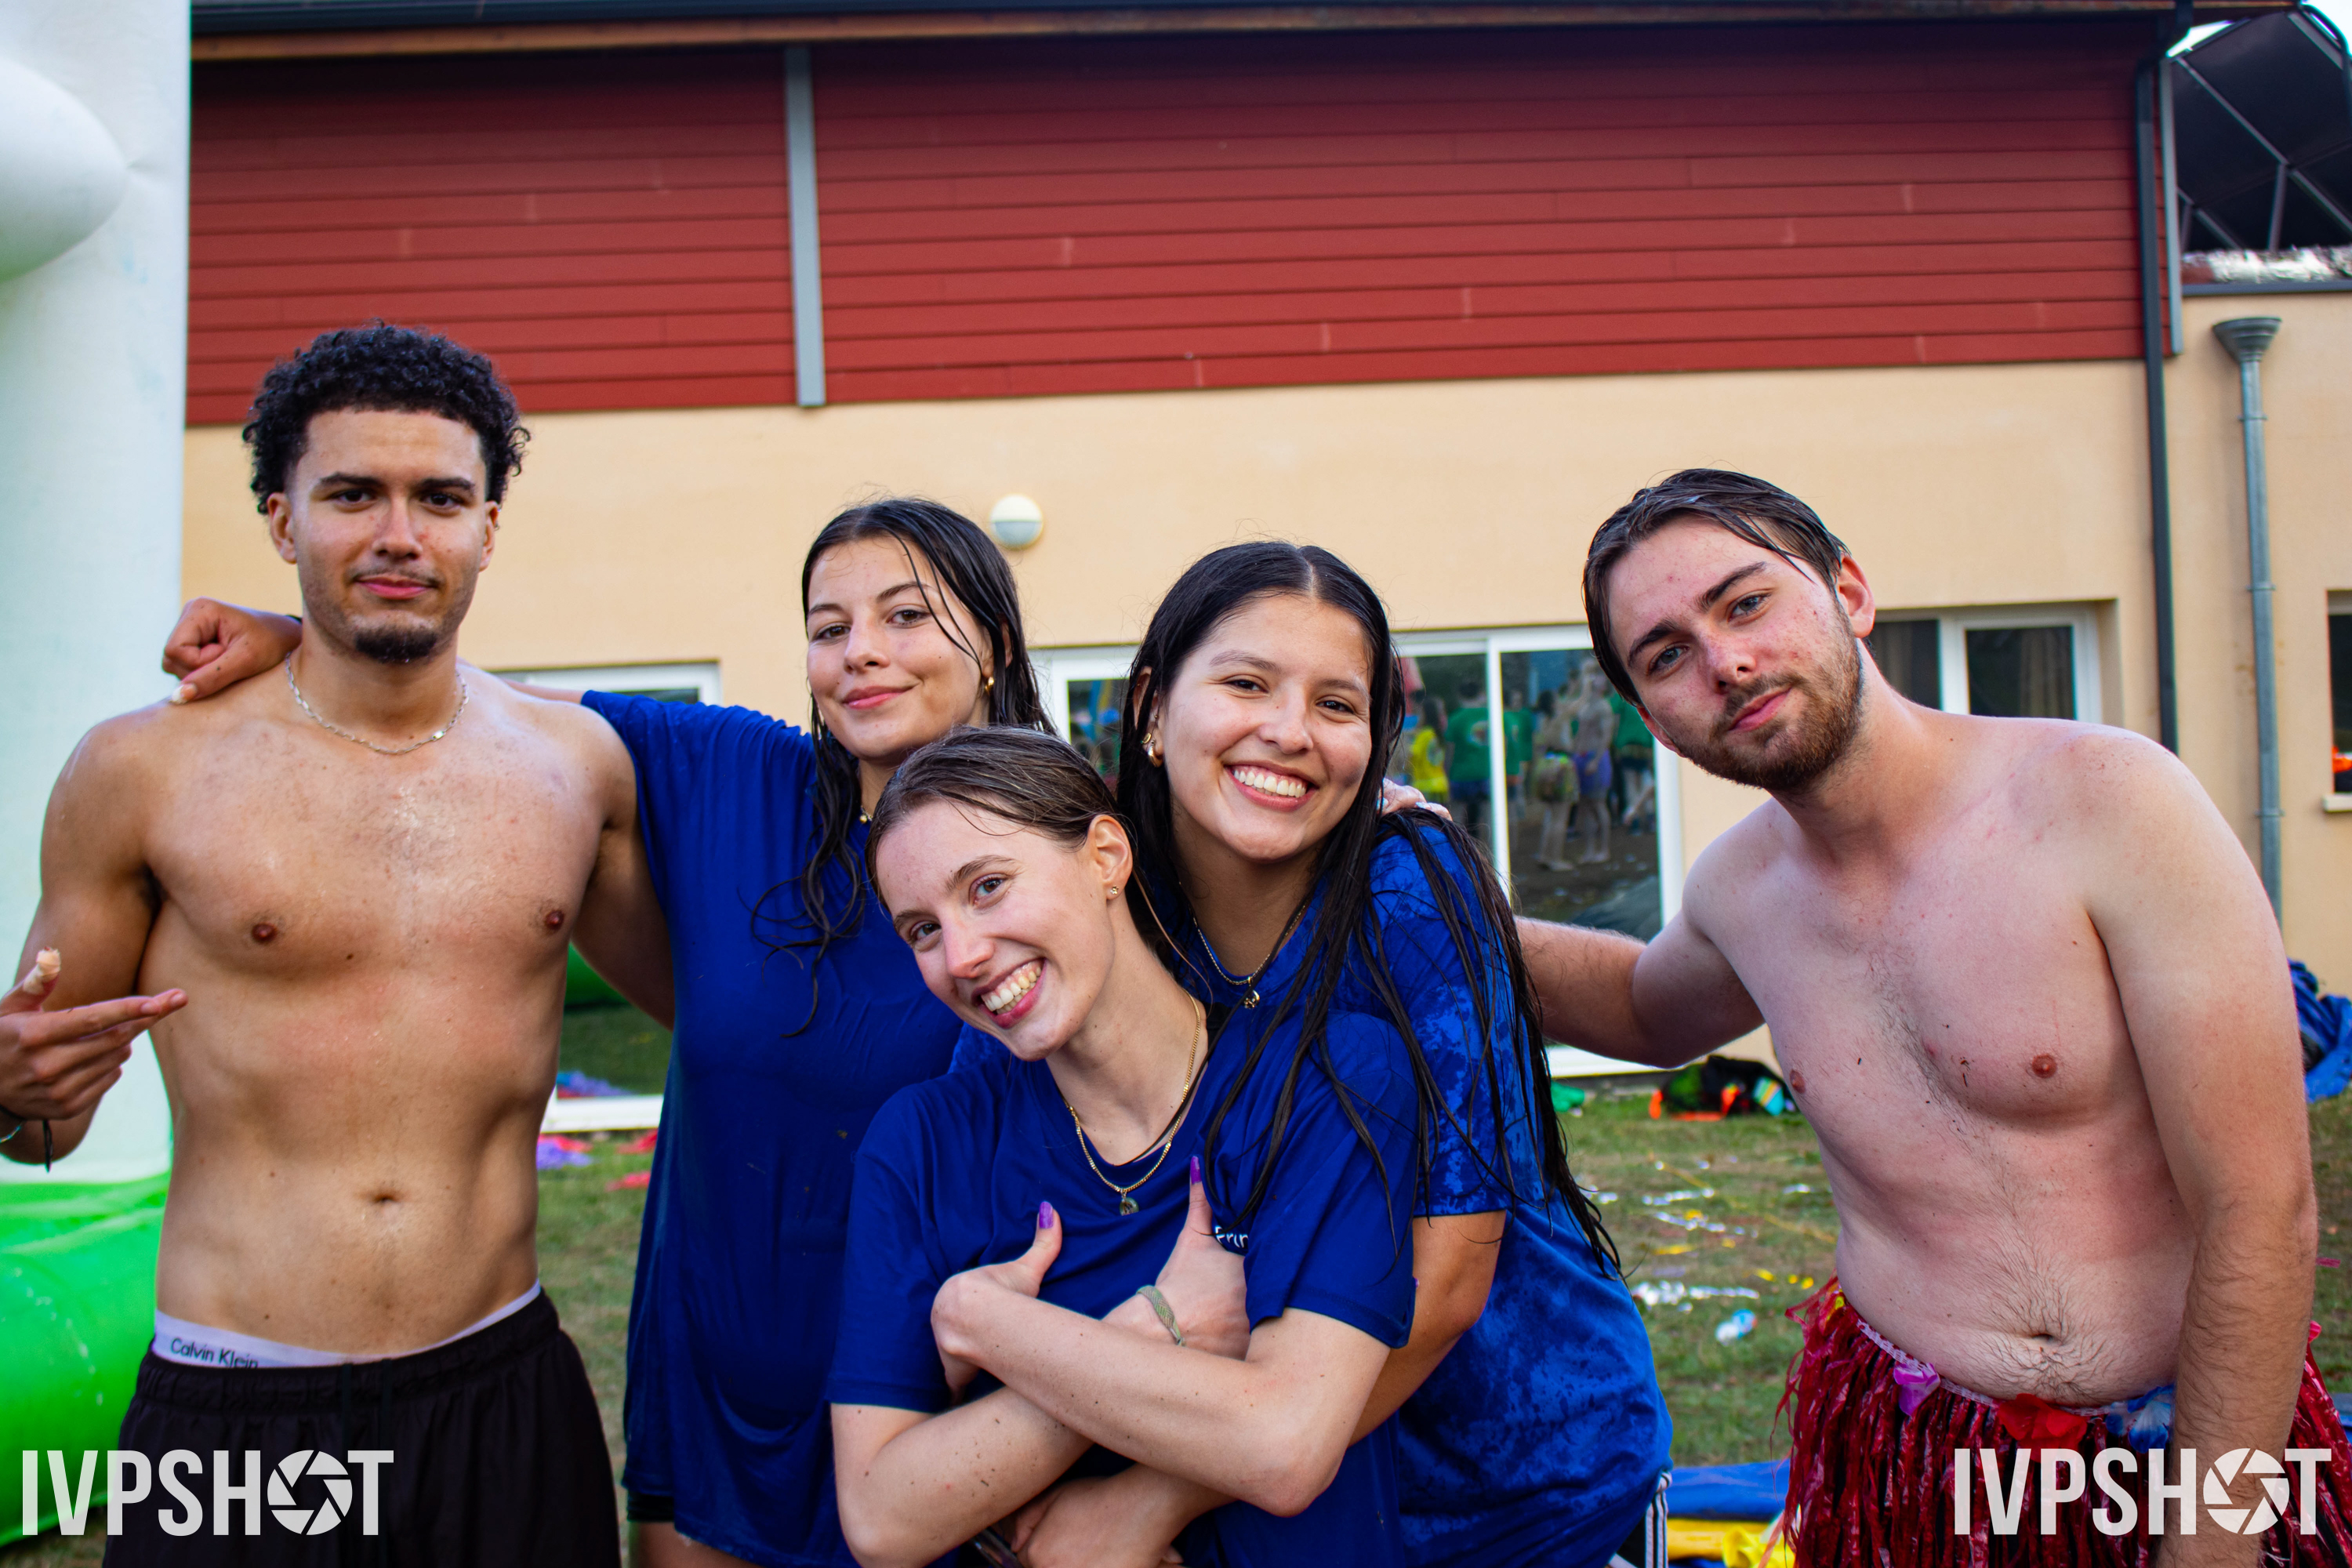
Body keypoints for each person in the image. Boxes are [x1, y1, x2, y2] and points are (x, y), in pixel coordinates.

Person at [157, 498, 1050, 1568]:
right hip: (715, 1403)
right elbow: (483, 709)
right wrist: (304, 639)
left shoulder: (1062, 852)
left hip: (948, 1402)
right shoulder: (733, 777)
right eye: (829, 626)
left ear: (996, 641)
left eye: (905, 616)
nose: (861, 651)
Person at [1517, 469, 2351, 1565]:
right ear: (1651, 721)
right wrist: (1425, 875)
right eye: (1666, 655)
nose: (1725, 663)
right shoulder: (1740, 893)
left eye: (1747, 603)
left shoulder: (2107, 802)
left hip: (2181, 1455)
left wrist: (2213, 1545)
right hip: (1910, 1464)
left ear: (1849, 592)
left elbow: (2261, 1207)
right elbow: (1639, 1009)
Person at [3, 324, 643, 1564]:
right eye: (353, 495)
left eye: (439, 499)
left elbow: (719, 1012)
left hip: (501, 1387)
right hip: (241, 1407)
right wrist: (4, 1087)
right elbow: (44, 1121)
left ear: (488, 529)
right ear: (282, 520)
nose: (400, 535)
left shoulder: (577, 766)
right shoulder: (141, 770)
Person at [976, 543, 1671, 1568]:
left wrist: (1149, 1501)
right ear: (1153, 709)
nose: (1291, 731)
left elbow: (1448, 1278)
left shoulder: (1410, 894)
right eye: (1247, 684)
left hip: (1518, 1488)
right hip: (1286, 1491)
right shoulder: (1119, 907)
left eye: (1337, 705)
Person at [832, 726, 1419, 1568]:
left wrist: (988, 1324)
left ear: (1106, 856)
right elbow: (883, 1517)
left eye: (988, 886)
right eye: (922, 930)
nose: (962, 956)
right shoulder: (923, 1144)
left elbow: (1284, 1444)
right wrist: (1154, 1327)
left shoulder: (1326, 1079)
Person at [1565, 665, 1617, 866]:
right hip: (1581, 757)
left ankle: (1604, 850)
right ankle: (1589, 850)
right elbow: (1571, 716)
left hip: (1596, 758)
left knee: (1598, 804)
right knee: (1585, 805)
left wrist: (1595, 761)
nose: (1594, 679)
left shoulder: (1604, 707)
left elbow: (1606, 737)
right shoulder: (1585, 704)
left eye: (1598, 677)